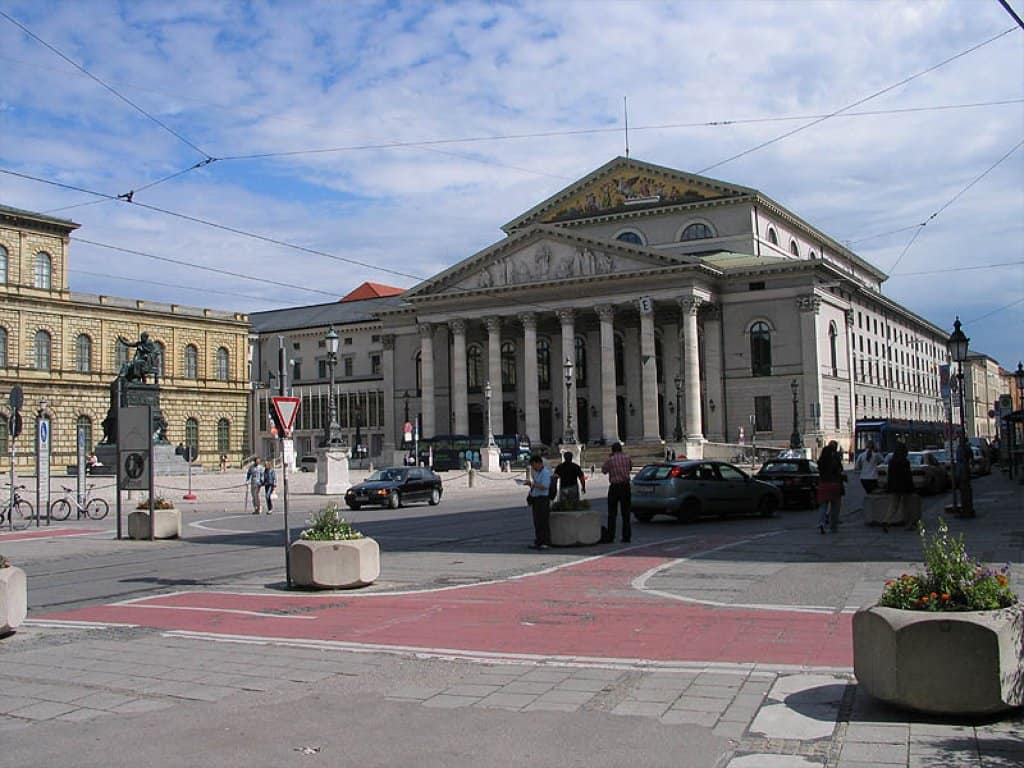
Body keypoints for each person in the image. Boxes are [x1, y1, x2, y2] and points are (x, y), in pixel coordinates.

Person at [601, 442, 632, 543]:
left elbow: (604, 470)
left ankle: (611, 536)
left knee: (612, 513)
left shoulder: (610, 460)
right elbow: (630, 468)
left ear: (613, 450)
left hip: (615, 487)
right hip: (625, 486)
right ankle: (626, 536)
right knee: (626, 513)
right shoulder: (627, 458)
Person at [885, 443, 918, 531]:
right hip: (905, 487)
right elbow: (908, 476)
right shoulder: (905, 462)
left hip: (894, 487)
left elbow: (890, 476)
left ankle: (886, 521)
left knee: (893, 506)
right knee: (907, 506)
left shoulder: (891, 462)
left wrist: (888, 487)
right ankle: (909, 524)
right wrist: (912, 488)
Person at [816, 440, 844, 534]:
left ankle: (821, 523)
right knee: (835, 507)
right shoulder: (835, 459)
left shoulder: (821, 461)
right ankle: (833, 526)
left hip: (823, 485)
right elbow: (840, 470)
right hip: (834, 484)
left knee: (822, 506)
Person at [524, 455, 552, 549]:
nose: (533, 467)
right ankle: (539, 541)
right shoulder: (537, 473)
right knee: (537, 522)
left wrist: (532, 484)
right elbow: (536, 485)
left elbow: (545, 486)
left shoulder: (545, 473)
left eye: (533, 465)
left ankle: (546, 542)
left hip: (543, 499)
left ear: (539, 463)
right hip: (536, 499)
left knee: (543, 521)